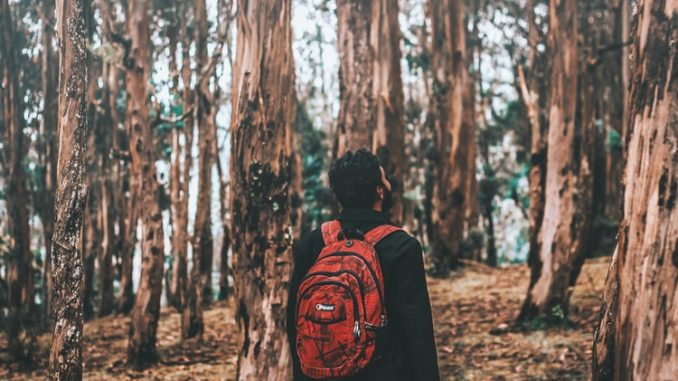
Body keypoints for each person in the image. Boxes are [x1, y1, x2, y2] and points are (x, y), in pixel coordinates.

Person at [286, 149, 440, 381]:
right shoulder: (401, 247)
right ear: (379, 190)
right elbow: (417, 334)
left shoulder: (313, 242)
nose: (388, 184)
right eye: (384, 179)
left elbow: (294, 319)